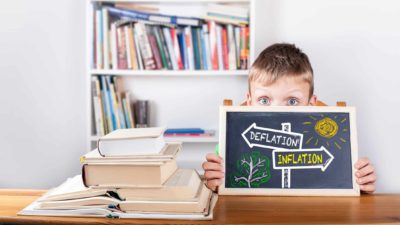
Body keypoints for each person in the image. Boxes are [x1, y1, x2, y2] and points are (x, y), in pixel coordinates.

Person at [202, 43, 376, 193]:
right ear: (249, 102)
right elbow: (218, 192)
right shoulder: (231, 145)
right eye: (264, 100)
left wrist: (359, 182)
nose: (277, 111)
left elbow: (340, 182)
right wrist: (216, 183)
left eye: (292, 101)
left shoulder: (329, 144)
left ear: (311, 103)